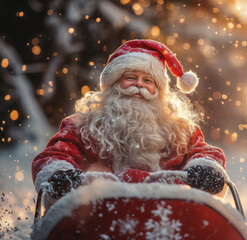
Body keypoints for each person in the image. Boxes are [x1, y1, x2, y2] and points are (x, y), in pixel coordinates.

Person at [31, 39, 227, 202]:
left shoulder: (180, 128)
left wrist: (205, 169)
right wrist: (59, 174)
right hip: (97, 211)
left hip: (169, 211)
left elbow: (202, 152)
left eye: (148, 81)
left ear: (159, 91)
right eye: (131, 77)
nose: (139, 84)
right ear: (114, 82)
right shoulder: (83, 123)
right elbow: (56, 154)